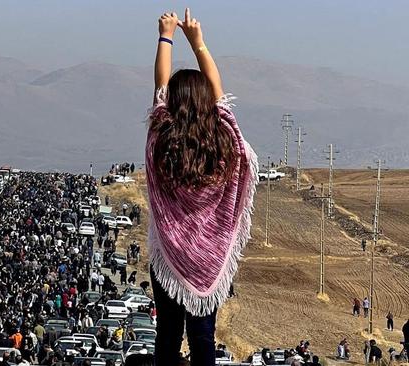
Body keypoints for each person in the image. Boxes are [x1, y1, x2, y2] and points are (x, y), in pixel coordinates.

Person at [146, 8, 257, 366]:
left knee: (168, 336)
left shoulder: (161, 139)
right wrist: (199, 44)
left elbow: (160, 87)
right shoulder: (226, 141)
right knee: (203, 337)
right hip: (209, 261)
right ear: (208, 102)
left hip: (168, 255)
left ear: (174, 104)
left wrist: (166, 36)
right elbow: (221, 96)